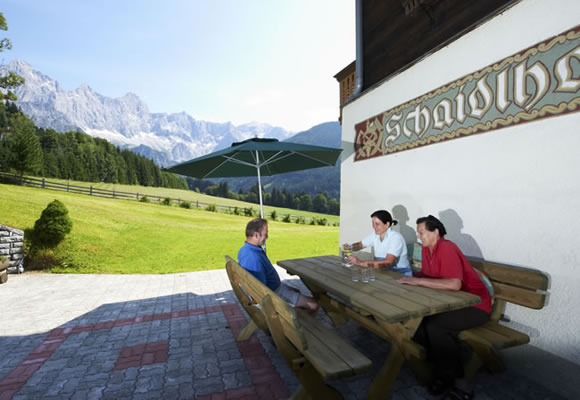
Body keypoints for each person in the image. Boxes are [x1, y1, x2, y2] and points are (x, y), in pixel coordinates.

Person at [398, 215, 492, 400]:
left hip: (476, 305)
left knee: (436, 326)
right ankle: (442, 371)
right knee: (418, 324)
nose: (419, 236)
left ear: (436, 232)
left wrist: (418, 281)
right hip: (450, 302)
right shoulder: (426, 250)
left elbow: (454, 284)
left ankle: (462, 385)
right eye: (418, 233)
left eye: (422, 232)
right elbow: (427, 275)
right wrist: (412, 279)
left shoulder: (447, 247)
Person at [238, 218, 318, 312]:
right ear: (256, 234)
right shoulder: (253, 258)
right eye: (265, 233)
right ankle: (296, 325)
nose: (267, 236)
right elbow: (261, 292)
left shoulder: (246, 250)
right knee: (314, 305)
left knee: (297, 291)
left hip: (276, 288)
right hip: (275, 295)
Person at [342, 210, 412, 276]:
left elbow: (388, 263)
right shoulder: (375, 235)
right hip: (385, 272)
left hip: (400, 274)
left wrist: (360, 262)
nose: (373, 226)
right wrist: (350, 247)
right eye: (373, 223)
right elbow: (360, 245)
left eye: (377, 224)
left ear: (387, 224)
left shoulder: (396, 237)